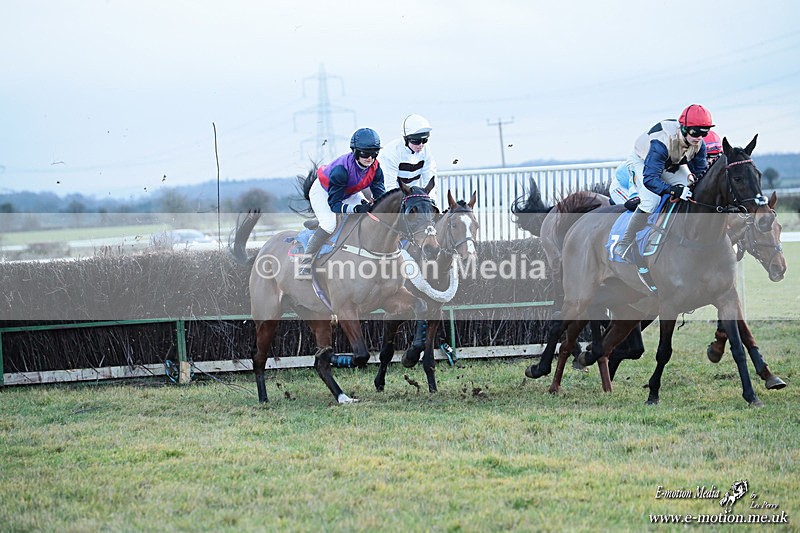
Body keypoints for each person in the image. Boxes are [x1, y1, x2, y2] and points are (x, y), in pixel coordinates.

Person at [613, 104, 714, 258]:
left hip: (669, 162)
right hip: (643, 160)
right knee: (651, 201)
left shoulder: (700, 145)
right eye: (695, 132)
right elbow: (650, 179)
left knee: (691, 186)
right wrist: (674, 190)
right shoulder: (661, 142)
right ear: (684, 128)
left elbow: (701, 173)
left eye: (704, 132)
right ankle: (624, 243)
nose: (699, 137)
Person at [300, 127, 386, 274]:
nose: (370, 158)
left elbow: (381, 196)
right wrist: (355, 209)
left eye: (374, 153)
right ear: (355, 152)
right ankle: (305, 263)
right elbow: (334, 205)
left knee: (369, 213)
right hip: (323, 192)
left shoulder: (376, 168)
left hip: (349, 191)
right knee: (329, 225)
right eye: (365, 153)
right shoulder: (341, 170)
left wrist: (377, 205)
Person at [379, 114, 438, 199]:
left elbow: (429, 178)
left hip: (410, 193)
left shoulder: (426, 150)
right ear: (406, 139)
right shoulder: (392, 152)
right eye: (416, 141)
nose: (421, 145)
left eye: (424, 140)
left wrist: (431, 201)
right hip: (384, 194)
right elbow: (389, 186)